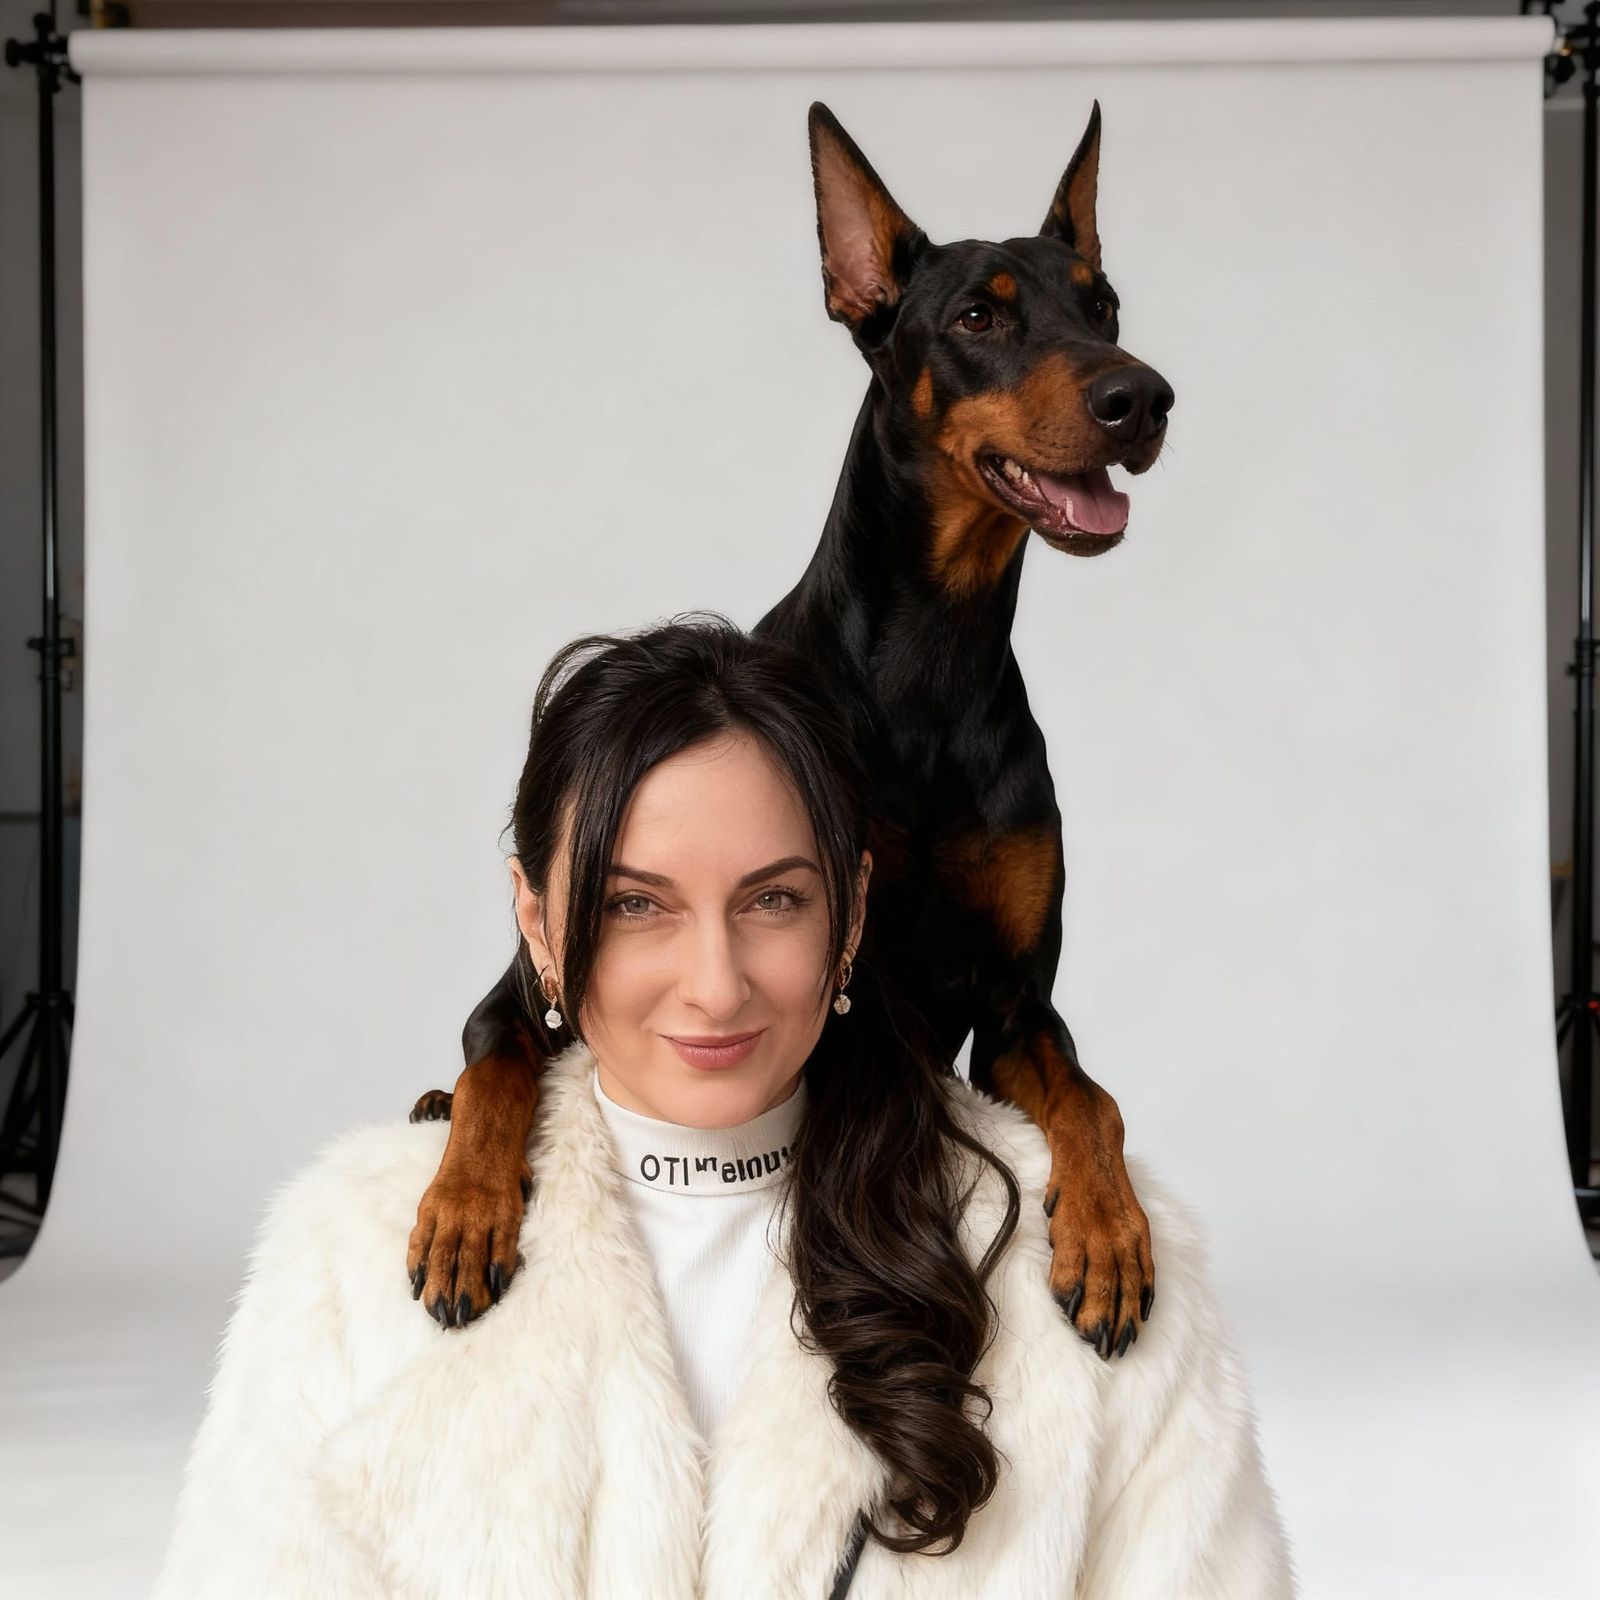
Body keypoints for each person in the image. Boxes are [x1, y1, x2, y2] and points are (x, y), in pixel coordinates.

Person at [153, 614, 1296, 1600]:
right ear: (535, 921)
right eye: (636, 905)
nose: (714, 984)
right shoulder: (345, 1261)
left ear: (851, 913)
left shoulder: (1073, 1259)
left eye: (774, 900)